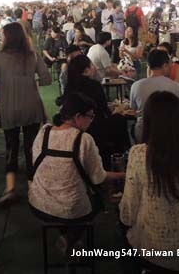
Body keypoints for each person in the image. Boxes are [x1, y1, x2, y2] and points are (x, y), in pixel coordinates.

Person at [120, 91, 179, 272]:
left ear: (148, 123)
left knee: (124, 236)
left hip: (155, 251)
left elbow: (128, 213)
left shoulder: (139, 154)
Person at [29, 92, 125, 251]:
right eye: (90, 116)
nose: (91, 121)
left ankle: (69, 237)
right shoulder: (84, 139)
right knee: (99, 198)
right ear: (78, 116)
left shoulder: (43, 131)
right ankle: (72, 237)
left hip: (38, 203)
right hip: (71, 209)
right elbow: (98, 178)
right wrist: (124, 174)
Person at [0, 23, 52, 204]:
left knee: (11, 147)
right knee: (31, 147)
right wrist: (29, 81)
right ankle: (33, 187)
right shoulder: (32, 56)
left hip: (8, 108)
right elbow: (47, 79)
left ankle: (10, 188)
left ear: (8, 37)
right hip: (30, 107)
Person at [63, 55, 130, 167]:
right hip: (95, 127)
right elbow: (105, 111)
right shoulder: (94, 85)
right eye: (92, 65)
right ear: (86, 70)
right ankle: (120, 155)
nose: (94, 68)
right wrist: (117, 109)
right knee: (120, 119)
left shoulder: (68, 88)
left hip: (73, 127)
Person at [130, 49, 179, 142]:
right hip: (169, 133)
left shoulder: (136, 85)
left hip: (143, 132)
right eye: (170, 64)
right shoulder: (175, 87)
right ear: (165, 65)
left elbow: (134, 110)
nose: (171, 66)